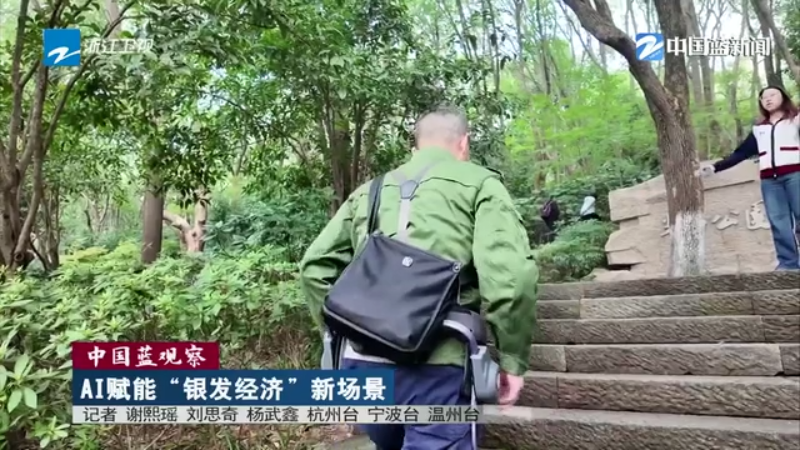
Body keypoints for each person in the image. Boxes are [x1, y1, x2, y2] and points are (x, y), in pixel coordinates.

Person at [299, 106, 538, 449]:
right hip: (438, 364)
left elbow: (314, 267)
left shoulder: (370, 190)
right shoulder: (480, 184)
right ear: (464, 143)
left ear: (416, 147)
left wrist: (343, 329)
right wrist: (512, 360)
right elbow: (511, 280)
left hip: (363, 365)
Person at [697, 85, 800, 270]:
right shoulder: (759, 129)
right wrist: (715, 167)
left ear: (783, 97)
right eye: (764, 97)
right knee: (778, 222)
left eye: (772, 95)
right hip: (770, 181)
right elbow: (741, 153)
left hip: (795, 175)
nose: (768, 99)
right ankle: (788, 264)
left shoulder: (795, 120)